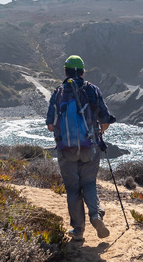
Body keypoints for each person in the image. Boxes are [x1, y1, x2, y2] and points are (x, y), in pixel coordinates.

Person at [46, 55, 115, 242]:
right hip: (89, 148)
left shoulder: (58, 92)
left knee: (73, 189)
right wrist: (97, 132)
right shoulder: (92, 90)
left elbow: (50, 125)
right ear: (83, 72)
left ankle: (78, 230)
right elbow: (106, 119)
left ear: (66, 71)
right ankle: (96, 216)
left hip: (65, 150)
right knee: (89, 184)